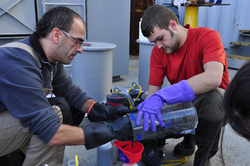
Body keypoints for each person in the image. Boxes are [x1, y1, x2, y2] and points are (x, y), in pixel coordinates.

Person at [0, 6, 135, 166]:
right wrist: (111, 131)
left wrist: (102, 110)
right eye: (77, 41)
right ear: (56, 35)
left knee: (67, 106)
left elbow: (71, 92)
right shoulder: (18, 63)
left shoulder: (48, 59)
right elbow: (51, 132)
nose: (80, 50)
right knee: (54, 116)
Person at [135, 5, 229, 166]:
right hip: (188, 104)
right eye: (153, 42)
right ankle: (189, 138)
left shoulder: (207, 37)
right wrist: (147, 110)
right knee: (154, 110)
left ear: (172, 24)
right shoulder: (158, 52)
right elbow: (153, 92)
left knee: (211, 98)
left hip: (219, 106)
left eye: (160, 38)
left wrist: (164, 95)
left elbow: (213, 77)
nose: (158, 46)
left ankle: (203, 158)